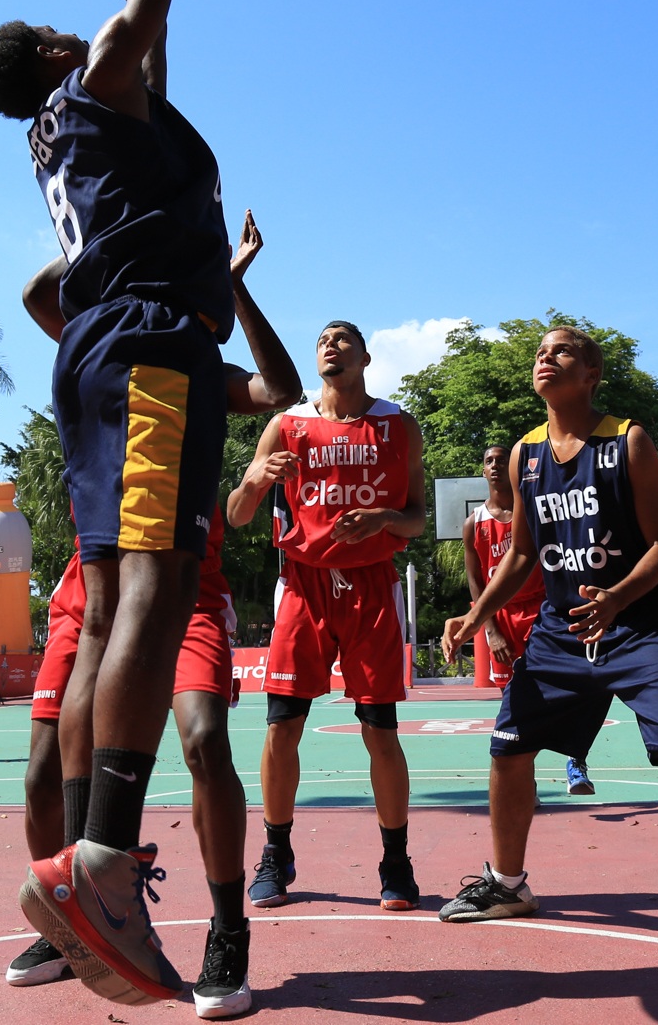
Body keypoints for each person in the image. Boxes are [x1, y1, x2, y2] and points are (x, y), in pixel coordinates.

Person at [0, 0, 226, 1006]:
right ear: (57, 56)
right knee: (151, 585)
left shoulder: (82, 122)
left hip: (96, 350)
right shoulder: (99, 81)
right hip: (145, 346)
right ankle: (103, 859)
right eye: (67, 32)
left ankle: (84, 849)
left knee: (113, 594)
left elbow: (153, 41)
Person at [14, 208, 300, 1018]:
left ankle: (227, 929)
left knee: (206, 740)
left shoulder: (194, 367)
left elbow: (279, 390)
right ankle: (78, 910)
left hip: (187, 591)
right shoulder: (106, 338)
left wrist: (233, 285)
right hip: (90, 588)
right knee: (40, 772)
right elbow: (40, 292)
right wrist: (116, 227)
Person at [439, 327, 658, 961]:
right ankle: (507, 884)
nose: (546, 358)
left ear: (592, 373)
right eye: (540, 352)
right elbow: (519, 555)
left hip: (641, 623)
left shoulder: (628, 441)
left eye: (563, 351)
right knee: (508, 749)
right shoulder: (525, 455)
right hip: (562, 630)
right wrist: (475, 612)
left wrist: (617, 597)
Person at [227, 319, 427, 915]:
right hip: (304, 586)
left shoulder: (397, 424)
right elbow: (237, 516)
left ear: (365, 355)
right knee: (281, 727)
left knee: (380, 732)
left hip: (370, 587)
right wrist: (256, 480)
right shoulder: (286, 425)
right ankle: (276, 853)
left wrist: (385, 518)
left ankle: (396, 862)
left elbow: (416, 518)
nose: (331, 345)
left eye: (343, 338)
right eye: (322, 340)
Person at [463, 444, 597, 796]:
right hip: (502, 617)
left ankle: (575, 760)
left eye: (501, 460)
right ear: (482, 471)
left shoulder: (534, 509)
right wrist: (490, 629)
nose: (494, 465)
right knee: (516, 702)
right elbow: (476, 582)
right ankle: (526, 779)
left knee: (568, 689)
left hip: (542, 610)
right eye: (488, 460)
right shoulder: (473, 523)